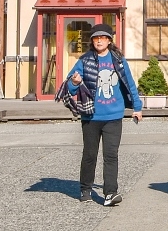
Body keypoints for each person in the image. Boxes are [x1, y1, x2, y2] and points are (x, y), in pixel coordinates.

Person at [66, 24, 143, 206]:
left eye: (103, 37)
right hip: (91, 116)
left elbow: (130, 84)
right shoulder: (84, 60)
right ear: (92, 41)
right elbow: (70, 86)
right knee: (90, 155)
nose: (99, 40)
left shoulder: (118, 60)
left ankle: (110, 193)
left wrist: (137, 107)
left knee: (111, 155)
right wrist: (75, 82)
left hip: (114, 116)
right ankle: (85, 189)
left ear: (109, 40)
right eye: (95, 38)